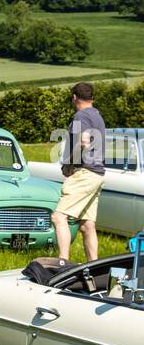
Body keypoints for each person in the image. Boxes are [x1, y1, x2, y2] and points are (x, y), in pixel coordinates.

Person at [51, 82, 106, 264]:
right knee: (87, 225)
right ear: (92, 98)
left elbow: (83, 141)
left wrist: (69, 165)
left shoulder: (81, 116)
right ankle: (95, 266)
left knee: (59, 217)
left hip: (84, 173)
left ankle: (62, 263)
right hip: (98, 174)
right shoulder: (97, 116)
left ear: (74, 97)